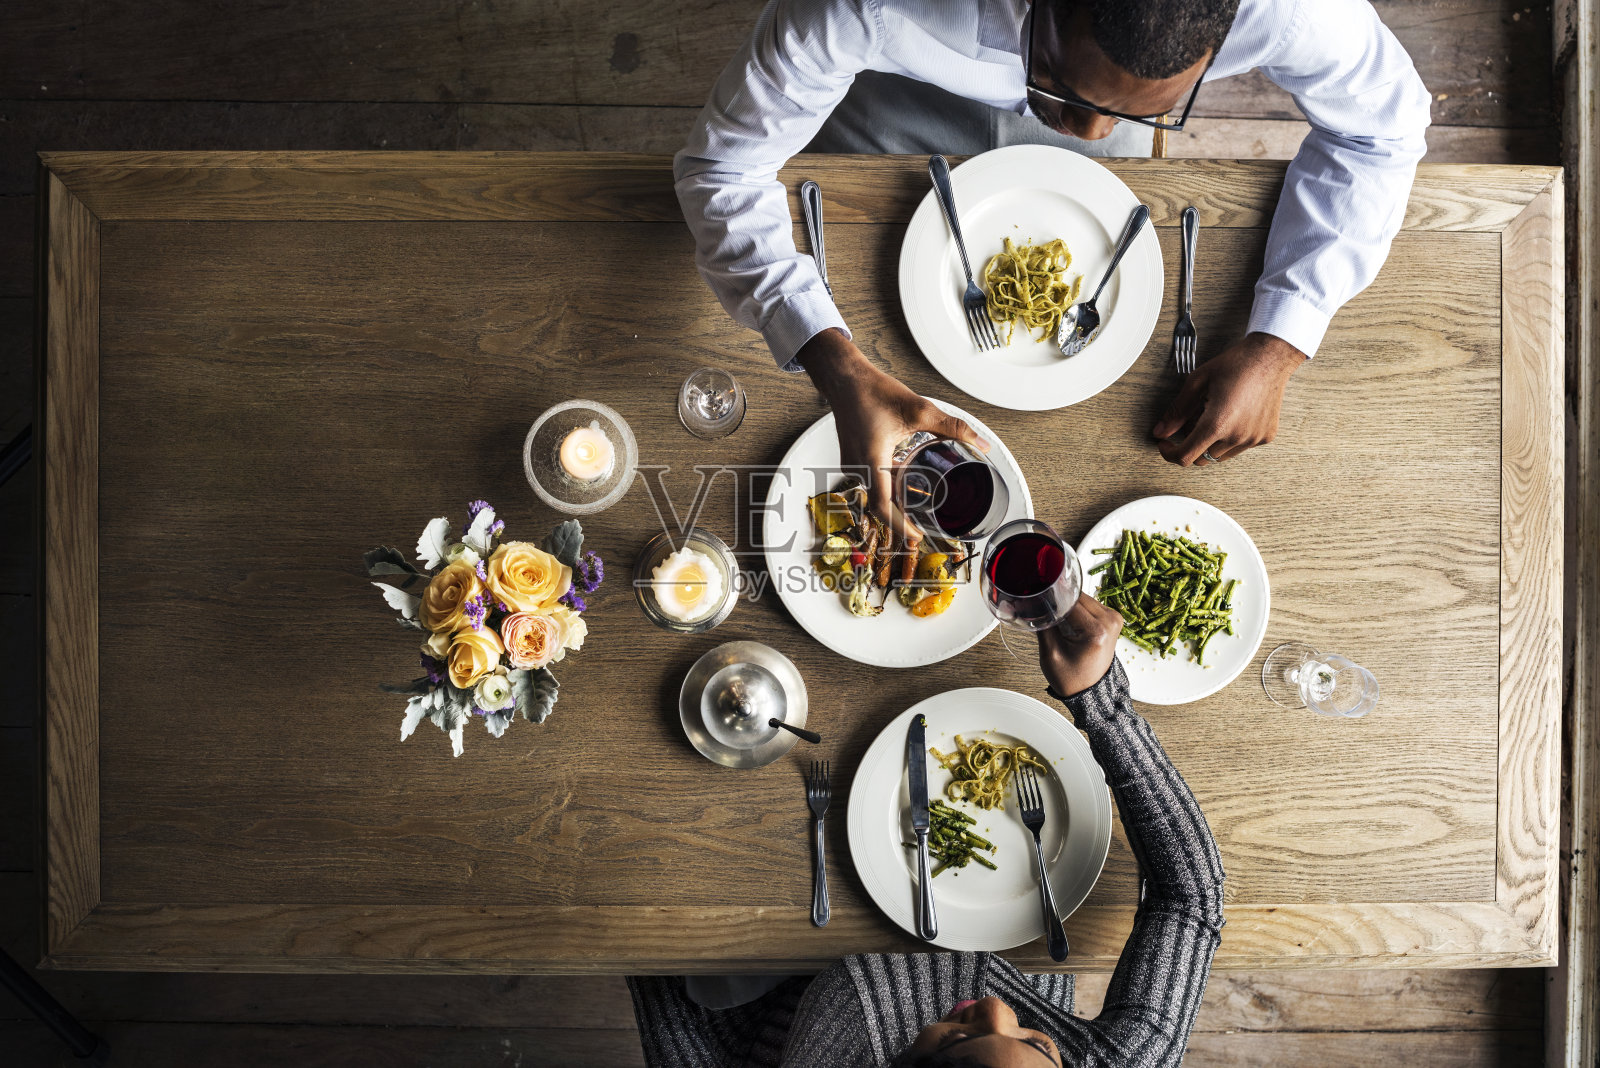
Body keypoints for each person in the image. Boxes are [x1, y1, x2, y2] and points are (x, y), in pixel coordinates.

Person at [675, 0, 1431, 536]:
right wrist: (834, 363)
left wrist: (1282, 341)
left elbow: (1384, 131)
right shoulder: (854, 6)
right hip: (897, 87)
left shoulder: (1291, 10)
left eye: (1137, 110)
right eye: (1069, 93)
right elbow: (723, 171)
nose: (1090, 134)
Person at [627, 592, 1226, 1066]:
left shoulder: (833, 1048)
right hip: (984, 927)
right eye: (1040, 1045)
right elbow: (1191, 897)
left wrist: (642, 951)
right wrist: (1102, 703)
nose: (996, 1008)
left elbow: (683, 1048)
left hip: (773, 989)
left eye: (958, 1041)